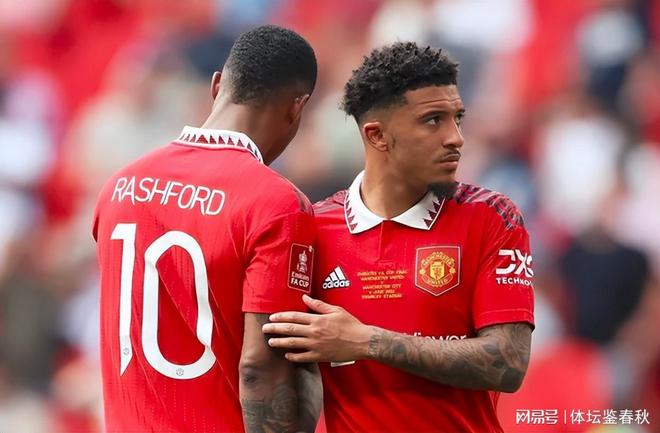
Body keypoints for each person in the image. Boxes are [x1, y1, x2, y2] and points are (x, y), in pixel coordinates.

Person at [263, 42, 535, 433]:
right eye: (433, 120)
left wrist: (366, 342)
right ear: (377, 136)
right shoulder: (312, 229)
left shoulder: (492, 217)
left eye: (457, 118)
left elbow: (508, 364)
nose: (456, 137)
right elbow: (286, 368)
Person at [92, 25, 321, 433]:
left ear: (216, 87)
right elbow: (260, 368)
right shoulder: (275, 203)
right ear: (296, 108)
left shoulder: (119, 186)